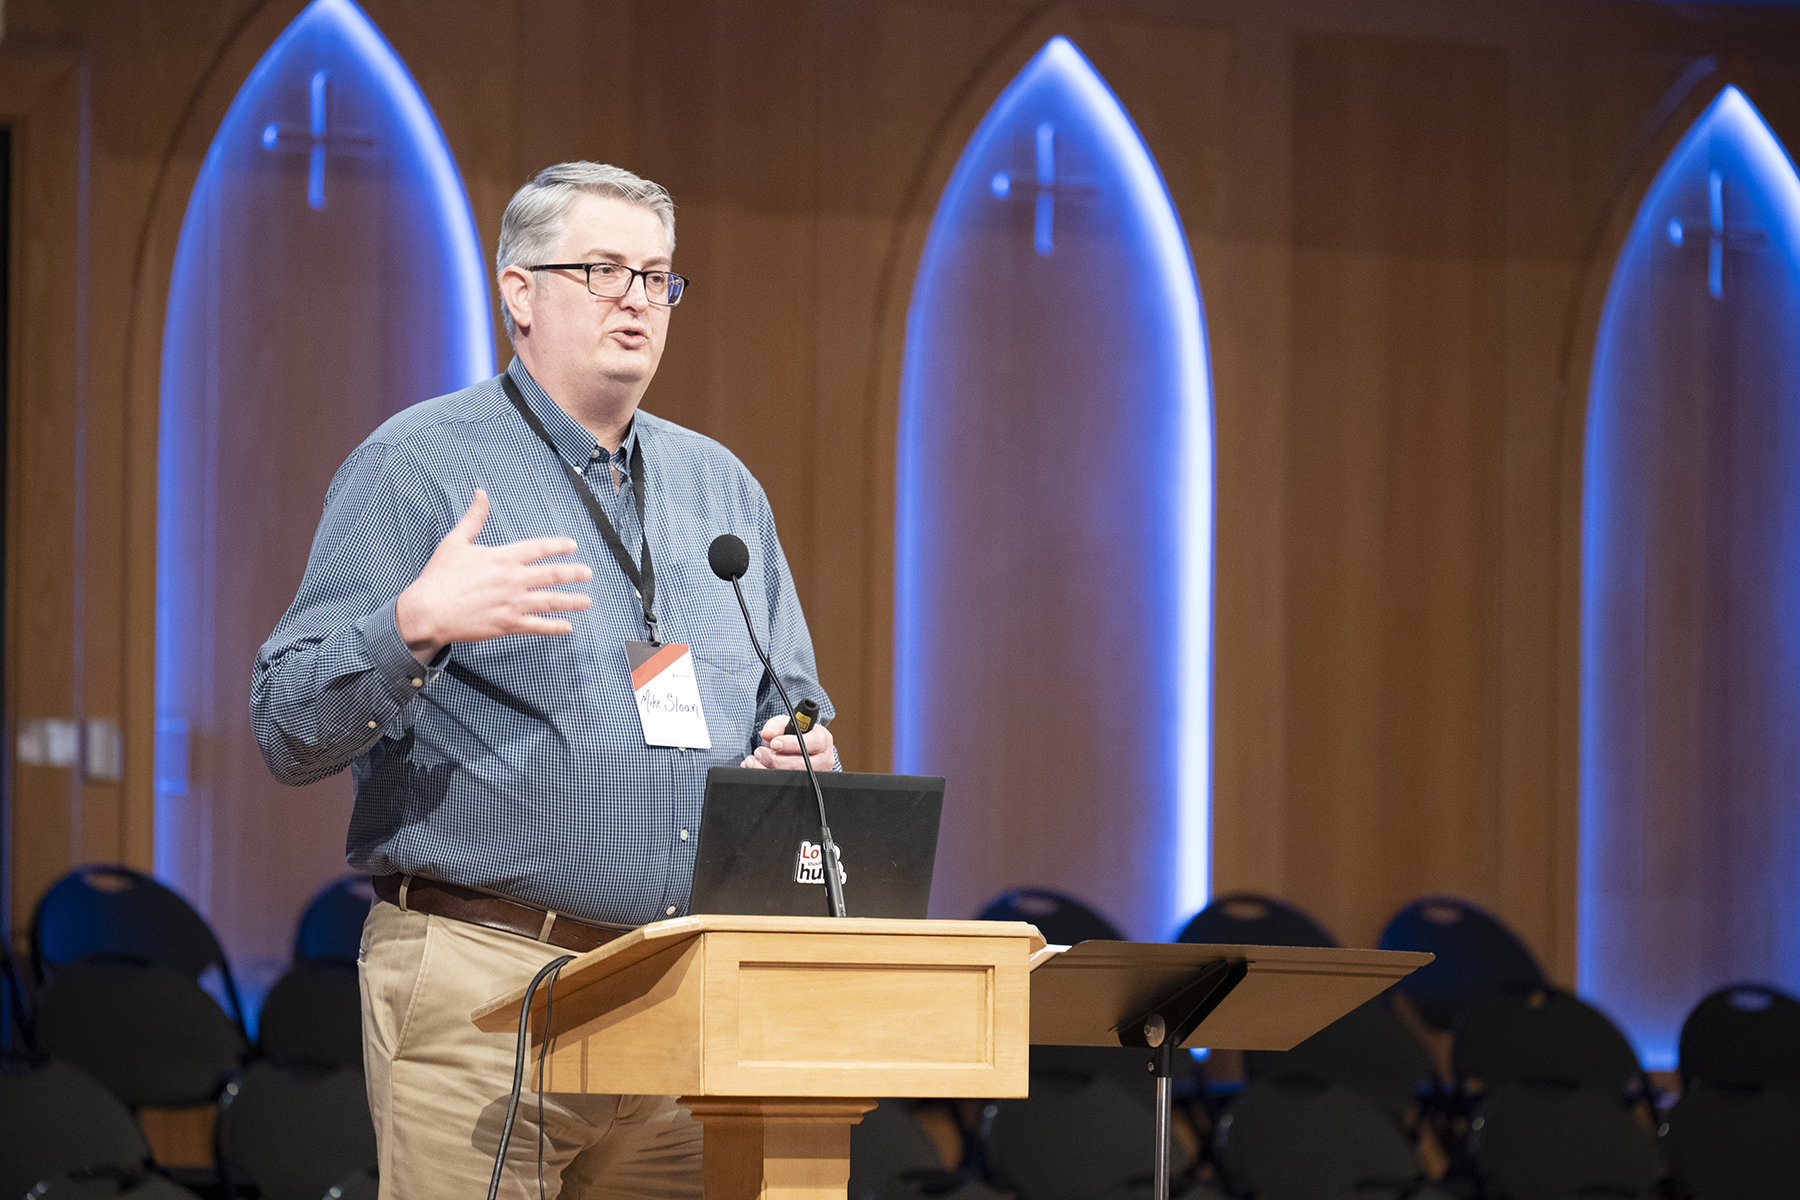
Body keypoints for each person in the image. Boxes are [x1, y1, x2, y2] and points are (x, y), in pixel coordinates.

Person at [252, 162, 837, 1199]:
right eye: (603, 270)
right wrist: (412, 626)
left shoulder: (721, 488)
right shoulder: (418, 465)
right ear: (518, 293)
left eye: (656, 277)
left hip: (677, 996)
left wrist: (797, 748)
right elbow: (286, 722)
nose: (636, 299)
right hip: (486, 984)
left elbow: (789, 701)